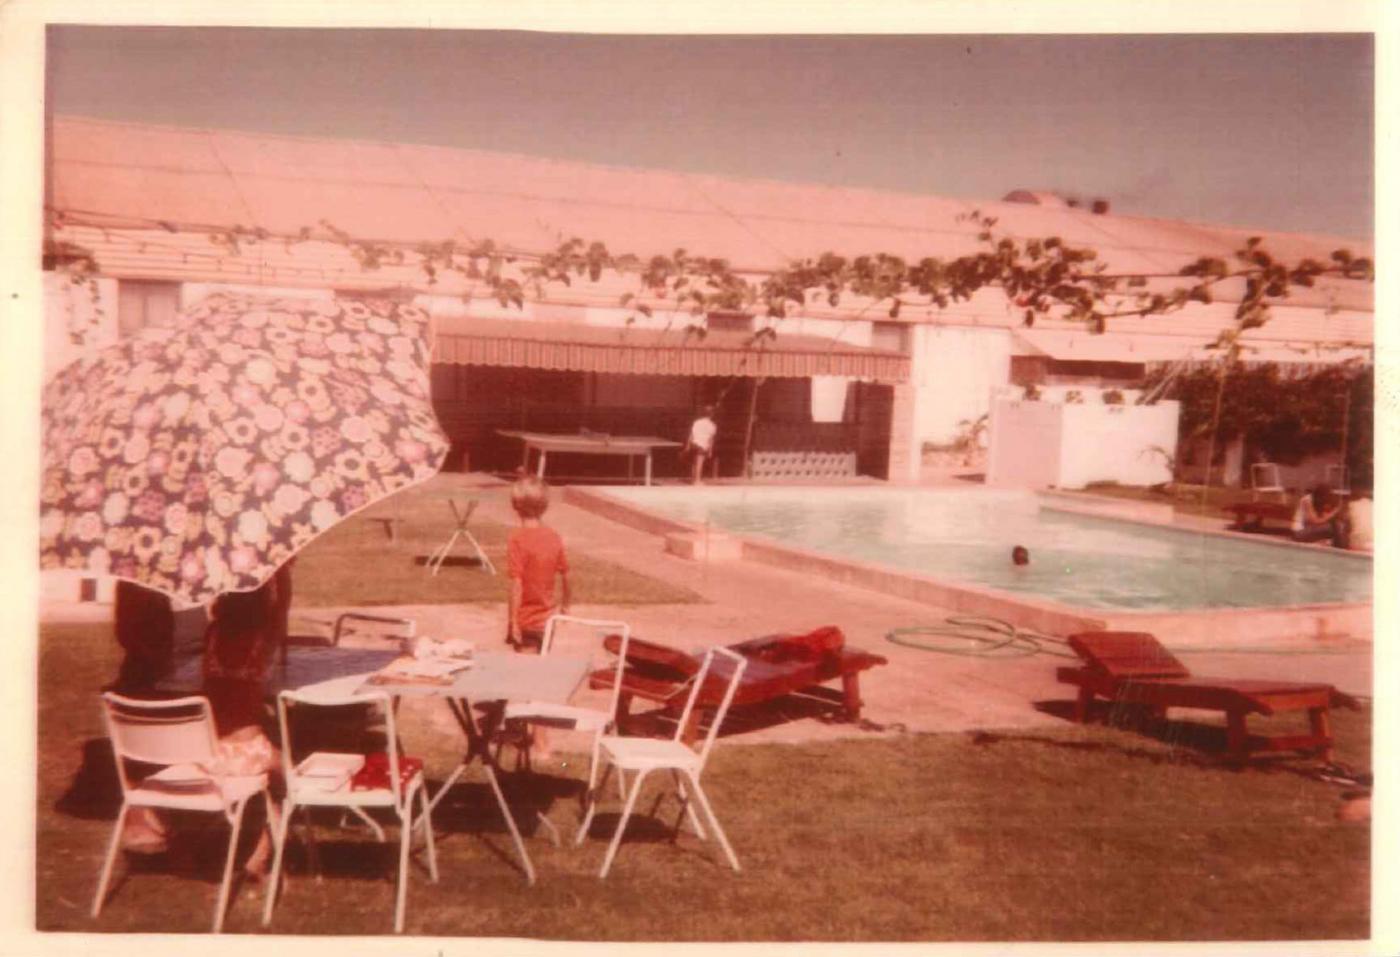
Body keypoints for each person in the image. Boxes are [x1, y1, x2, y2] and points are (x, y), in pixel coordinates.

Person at [506, 476, 571, 653]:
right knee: (540, 665)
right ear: (545, 506)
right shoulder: (553, 536)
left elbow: (517, 583)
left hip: (526, 619)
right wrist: (566, 604)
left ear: (515, 505)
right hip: (548, 619)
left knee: (526, 673)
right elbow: (565, 574)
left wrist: (513, 622)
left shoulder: (517, 539)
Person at [1291, 483, 1350, 548]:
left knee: (1337, 524)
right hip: (1299, 532)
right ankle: (1341, 547)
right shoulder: (1307, 500)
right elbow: (1315, 521)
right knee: (1333, 526)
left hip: (1308, 530)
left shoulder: (1318, 502)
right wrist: (1334, 512)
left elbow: (1325, 518)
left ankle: (1340, 546)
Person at [683, 405, 718, 485]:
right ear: (712, 414)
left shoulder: (696, 422)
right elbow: (711, 439)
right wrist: (710, 451)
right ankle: (697, 481)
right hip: (702, 445)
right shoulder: (712, 426)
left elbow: (691, 434)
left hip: (694, 443)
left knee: (694, 463)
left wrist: (687, 445)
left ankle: (693, 479)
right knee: (699, 463)